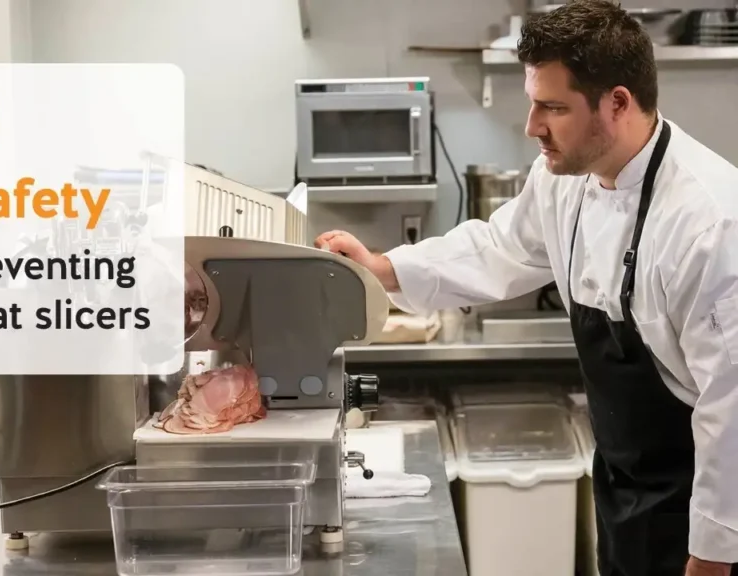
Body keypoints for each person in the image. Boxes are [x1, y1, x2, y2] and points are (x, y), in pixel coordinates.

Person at [315, 1, 738, 575]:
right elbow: (500, 247)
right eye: (533, 102)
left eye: (553, 107)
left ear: (617, 102)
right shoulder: (564, 180)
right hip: (624, 481)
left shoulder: (710, 221)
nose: (532, 125)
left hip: (706, 496)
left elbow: (731, 406)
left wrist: (713, 555)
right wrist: (383, 268)